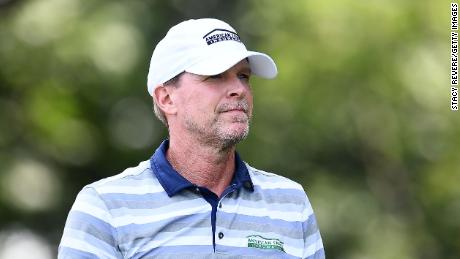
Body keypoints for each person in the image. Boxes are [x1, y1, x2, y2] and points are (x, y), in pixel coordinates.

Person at [58, 18, 325, 259]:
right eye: (216, 76)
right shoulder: (105, 207)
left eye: (243, 76)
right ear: (166, 98)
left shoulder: (291, 203)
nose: (239, 89)